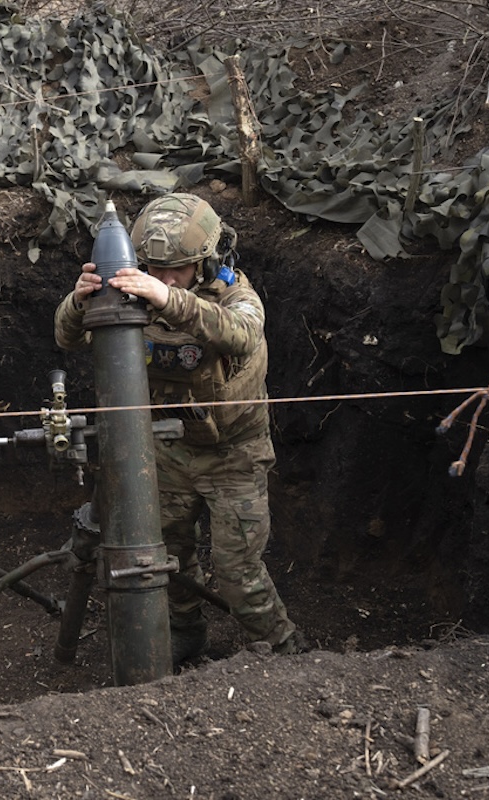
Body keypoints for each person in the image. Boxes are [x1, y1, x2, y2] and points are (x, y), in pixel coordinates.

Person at [53, 192, 301, 666]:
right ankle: (186, 634)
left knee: (237, 573)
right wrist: (78, 301)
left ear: (206, 260)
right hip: (166, 452)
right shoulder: (132, 290)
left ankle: (286, 652)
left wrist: (170, 299)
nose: (165, 278)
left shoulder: (234, 295)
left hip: (235, 456)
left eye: (181, 269)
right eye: (156, 268)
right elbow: (68, 336)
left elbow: (243, 334)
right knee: (168, 557)